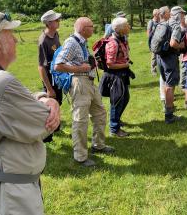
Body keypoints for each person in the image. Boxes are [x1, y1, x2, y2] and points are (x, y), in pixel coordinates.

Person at [0, 12, 61, 215]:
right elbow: (46, 122)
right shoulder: (0, 83)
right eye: (10, 34)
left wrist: (43, 97)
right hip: (12, 195)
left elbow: (13, 106)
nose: (16, 39)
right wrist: (50, 103)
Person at [54, 17, 114, 167]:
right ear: (82, 28)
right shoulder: (72, 42)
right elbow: (58, 65)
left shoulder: (82, 42)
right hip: (80, 82)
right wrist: (81, 69)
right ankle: (80, 156)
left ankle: (98, 145)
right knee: (80, 119)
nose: (93, 28)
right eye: (91, 26)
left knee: (100, 113)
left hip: (89, 82)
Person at [100, 17, 132, 137]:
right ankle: (114, 128)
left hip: (122, 73)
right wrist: (125, 65)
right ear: (120, 29)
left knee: (125, 98)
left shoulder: (122, 39)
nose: (129, 27)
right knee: (117, 101)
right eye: (127, 25)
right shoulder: (113, 43)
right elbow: (110, 64)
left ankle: (117, 119)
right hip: (115, 76)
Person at [157, 6, 186, 123]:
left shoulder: (164, 23)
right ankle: (169, 116)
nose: (184, 16)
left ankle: (167, 107)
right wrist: (181, 46)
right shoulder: (175, 26)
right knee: (170, 86)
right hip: (169, 59)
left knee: (165, 83)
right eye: (182, 14)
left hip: (160, 57)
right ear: (178, 15)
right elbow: (173, 43)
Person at [38, 10, 62, 143]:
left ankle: (55, 127)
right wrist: (49, 88)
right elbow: (41, 67)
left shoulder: (56, 34)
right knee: (48, 107)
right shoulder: (43, 41)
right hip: (49, 80)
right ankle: (47, 136)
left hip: (57, 77)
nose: (59, 21)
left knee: (58, 102)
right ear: (48, 23)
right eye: (56, 20)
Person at [147, 9, 160, 75]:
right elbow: (148, 33)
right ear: (155, 15)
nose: (159, 15)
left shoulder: (160, 21)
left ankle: (160, 68)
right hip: (153, 42)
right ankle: (153, 70)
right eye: (158, 14)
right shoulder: (151, 22)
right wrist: (151, 42)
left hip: (160, 41)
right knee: (154, 56)